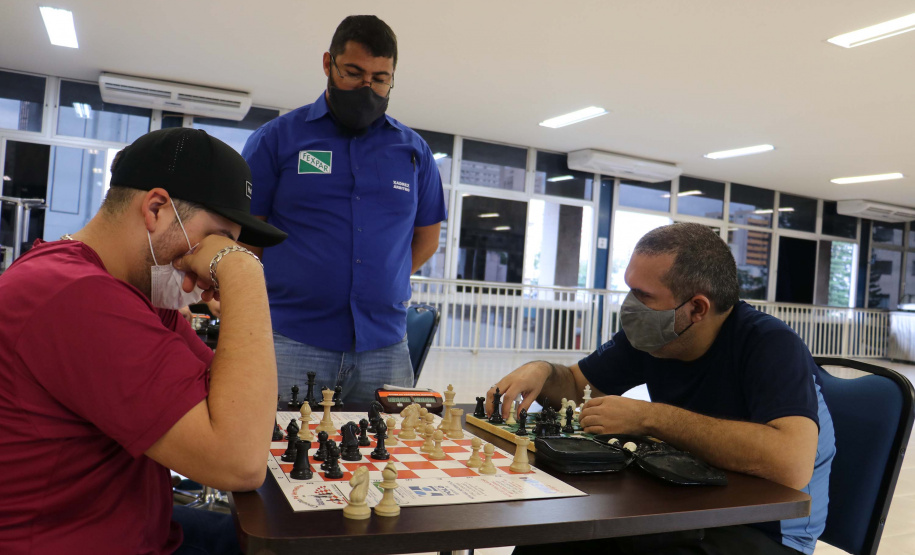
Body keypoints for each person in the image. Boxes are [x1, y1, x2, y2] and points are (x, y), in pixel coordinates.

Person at [0, 127, 287, 554]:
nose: (212, 260)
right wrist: (243, 274)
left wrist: (239, 305)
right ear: (156, 208)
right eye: (218, 241)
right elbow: (239, 461)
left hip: (138, 526)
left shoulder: (137, 291)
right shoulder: (73, 294)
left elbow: (234, 407)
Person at [490, 223, 835, 555]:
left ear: (697, 308)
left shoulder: (770, 344)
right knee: (555, 540)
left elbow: (791, 464)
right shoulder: (654, 336)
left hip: (759, 527)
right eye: (629, 288)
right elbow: (580, 385)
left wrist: (650, 418)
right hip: (685, 503)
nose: (629, 305)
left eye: (643, 295)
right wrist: (544, 371)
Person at [242, 15, 447, 405]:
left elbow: (427, 238)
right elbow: (248, 233)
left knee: (380, 462)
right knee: (279, 459)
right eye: (354, 73)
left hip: (386, 347)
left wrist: (379, 279)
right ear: (328, 64)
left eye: (381, 78)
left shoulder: (414, 152)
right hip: (292, 339)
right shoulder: (277, 139)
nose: (367, 87)